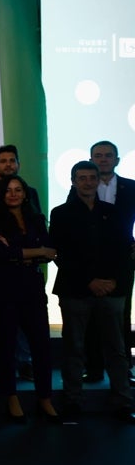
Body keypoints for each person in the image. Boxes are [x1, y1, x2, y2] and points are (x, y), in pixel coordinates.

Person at [49, 160, 133, 423]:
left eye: (91, 177)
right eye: (82, 178)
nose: (87, 182)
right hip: (76, 291)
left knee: (117, 349)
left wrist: (111, 282)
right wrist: (90, 281)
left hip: (112, 290)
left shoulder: (114, 212)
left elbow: (124, 251)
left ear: (98, 180)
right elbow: (60, 254)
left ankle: (122, 402)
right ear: (73, 182)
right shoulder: (60, 213)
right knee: (74, 348)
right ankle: (73, 401)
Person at [0, 176, 59, 423]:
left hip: (32, 289)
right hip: (3, 289)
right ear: (1, 194)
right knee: (6, 345)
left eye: (18, 190)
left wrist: (20, 253)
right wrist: (34, 252)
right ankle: (10, 396)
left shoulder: (35, 218)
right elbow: (0, 253)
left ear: (25, 193)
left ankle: (44, 397)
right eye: (8, 190)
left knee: (41, 345)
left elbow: (51, 250)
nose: (13, 194)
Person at [0, 144, 40, 383]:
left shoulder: (30, 192)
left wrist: (26, 249)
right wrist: (9, 247)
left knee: (25, 318)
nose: (8, 165)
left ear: (18, 164)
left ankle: (25, 362)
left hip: (26, 268)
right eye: (2, 161)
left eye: (12, 160)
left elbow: (36, 226)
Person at [82, 140, 135, 383]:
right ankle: (93, 369)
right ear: (91, 159)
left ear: (117, 160)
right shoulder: (80, 187)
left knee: (122, 317)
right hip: (90, 262)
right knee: (91, 318)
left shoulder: (131, 187)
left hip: (123, 261)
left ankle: (124, 371)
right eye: (98, 155)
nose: (103, 159)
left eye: (108, 155)